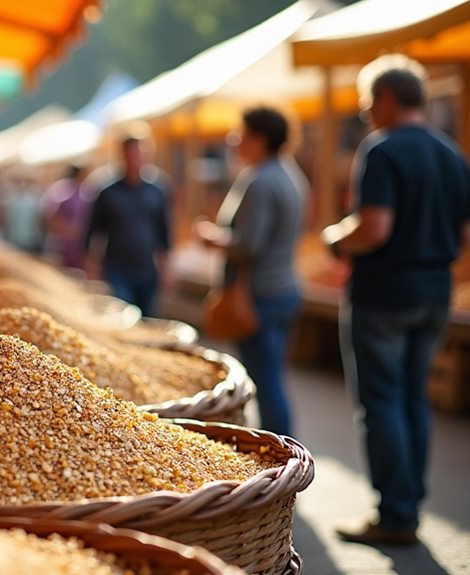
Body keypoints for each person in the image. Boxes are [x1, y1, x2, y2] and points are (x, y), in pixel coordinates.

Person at [321, 60, 470, 546]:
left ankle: (396, 513)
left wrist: (337, 238)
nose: (366, 112)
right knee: (412, 398)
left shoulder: (381, 149)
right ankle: (410, 503)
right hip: (434, 291)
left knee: (381, 400)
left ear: (387, 97)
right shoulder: (451, 155)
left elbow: (374, 227)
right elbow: (463, 235)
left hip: (384, 293)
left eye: (369, 101)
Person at [195, 106, 308, 438]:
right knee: (274, 376)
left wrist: (214, 239)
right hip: (284, 287)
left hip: (259, 294)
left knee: (266, 380)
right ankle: (283, 448)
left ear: (258, 139)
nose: (234, 140)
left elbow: (249, 245)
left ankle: (280, 453)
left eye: (240, 133)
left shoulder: (259, 180)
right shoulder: (290, 175)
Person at [84, 130, 172, 317]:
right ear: (122, 155)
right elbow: (93, 230)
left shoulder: (157, 190)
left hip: (148, 269)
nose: (135, 158)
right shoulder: (108, 192)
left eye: (139, 153)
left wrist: (167, 268)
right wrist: (92, 265)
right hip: (117, 269)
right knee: (125, 317)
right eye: (131, 153)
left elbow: (164, 232)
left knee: (148, 318)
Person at [42, 164, 90, 269]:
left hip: (76, 246)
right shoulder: (63, 190)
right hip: (61, 245)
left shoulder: (84, 191)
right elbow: (50, 217)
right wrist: (67, 230)